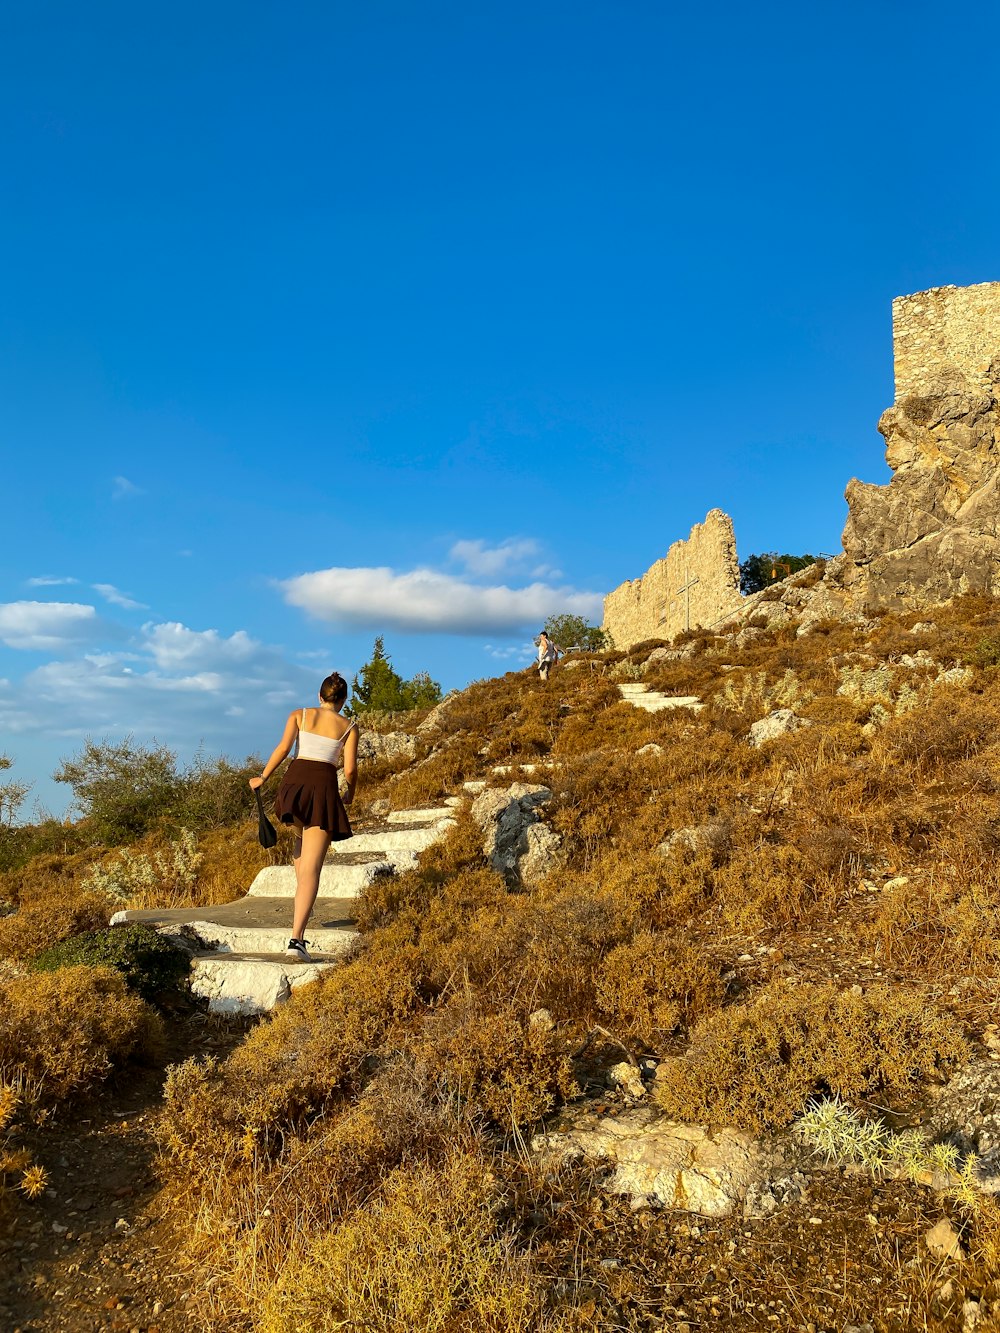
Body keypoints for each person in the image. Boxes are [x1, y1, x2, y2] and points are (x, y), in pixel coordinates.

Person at [248, 670, 359, 962]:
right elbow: (349, 770)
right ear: (343, 700)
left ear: (320, 696)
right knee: (311, 870)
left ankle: (301, 902)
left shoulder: (300, 714)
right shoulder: (349, 727)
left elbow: (284, 749)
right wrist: (351, 791)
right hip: (323, 787)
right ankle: (296, 940)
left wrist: (262, 777)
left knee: (300, 842)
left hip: (294, 784)